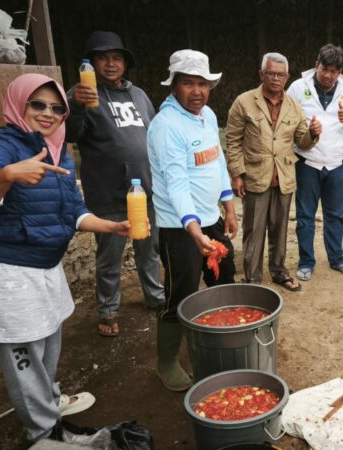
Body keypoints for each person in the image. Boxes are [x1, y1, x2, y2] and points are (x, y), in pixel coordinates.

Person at [0, 73, 131, 442]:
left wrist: (109, 226)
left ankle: (49, 402)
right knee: (25, 358)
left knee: (49, 343)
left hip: (44, 265)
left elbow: (72, 208)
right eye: (37, 104)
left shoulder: (59, 151)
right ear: (18, 105)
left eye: (57, 108)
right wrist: (7, 176)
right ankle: (45, 432)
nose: (48, 113)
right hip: (7, 270)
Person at [147, 50, 239, 391]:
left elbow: (217, 163)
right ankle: (167, 360)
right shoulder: (166, 126)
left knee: (225, 278)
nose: (197, 91)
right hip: (179, 226)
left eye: (203, 83)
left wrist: (228, 207)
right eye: (188, 83)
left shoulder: (208, 115)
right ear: (174, 85)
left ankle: (222, 343)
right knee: (181, 292)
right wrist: (194, 229)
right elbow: (176, 183)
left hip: (211, 219)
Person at [66, 31, 164, 337]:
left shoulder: (140, 95)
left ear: (125, 63)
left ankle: (154, 296)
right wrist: (77, 105)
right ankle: (108, 311)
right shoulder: (81, 94)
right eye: (103, 58)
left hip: (145, 190)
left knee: (149, 250)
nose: (110, 64)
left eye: (116, 58)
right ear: (91, 63)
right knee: (109, 257)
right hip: (109, 193)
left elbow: (154, 133)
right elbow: (70, 135)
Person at [226, 52, 322, 291]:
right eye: (271, 73)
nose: (276, 78)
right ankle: (252, 279)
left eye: (280, 74)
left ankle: (279, 272)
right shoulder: (244, 101)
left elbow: (303, 141)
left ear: (287, 77)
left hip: (284, 177)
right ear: (262, 74)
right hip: (256, 177)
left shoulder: (294, 106)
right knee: (254, 231)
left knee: (280, 230)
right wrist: (236, 174)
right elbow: (233, 140)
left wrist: (313, 133)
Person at [286, 44, 343, 282]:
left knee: (336, 215)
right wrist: (307, 131)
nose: (328, 75)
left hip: (337, 164)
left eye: (334, 71)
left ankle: (337, 258)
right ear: (316, 64)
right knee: (306, 215)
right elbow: (287, 122)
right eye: (324, 69)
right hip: (307, 162)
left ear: (340, 72)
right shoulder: (298, 87)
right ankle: (306, 262)